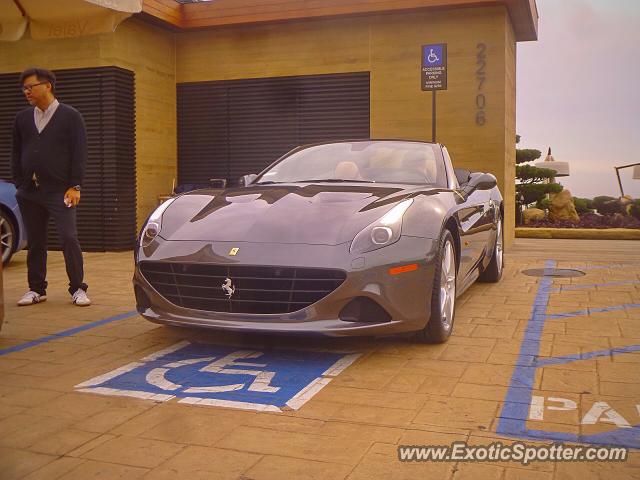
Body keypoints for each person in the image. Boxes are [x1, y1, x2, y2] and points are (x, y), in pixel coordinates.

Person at [11, 67, 91, 307]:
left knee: (68, 237)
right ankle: (36, 289)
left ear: (47, 85)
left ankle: (78, 288)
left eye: (31, 87)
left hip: (60, 191)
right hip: (29, 192)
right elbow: (16, 152)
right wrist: (19, 182)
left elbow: (79, 153)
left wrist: (75, 185)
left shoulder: (71, 116)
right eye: (24, 88)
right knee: (35, 242)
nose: (27, 92)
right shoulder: (22, 118)